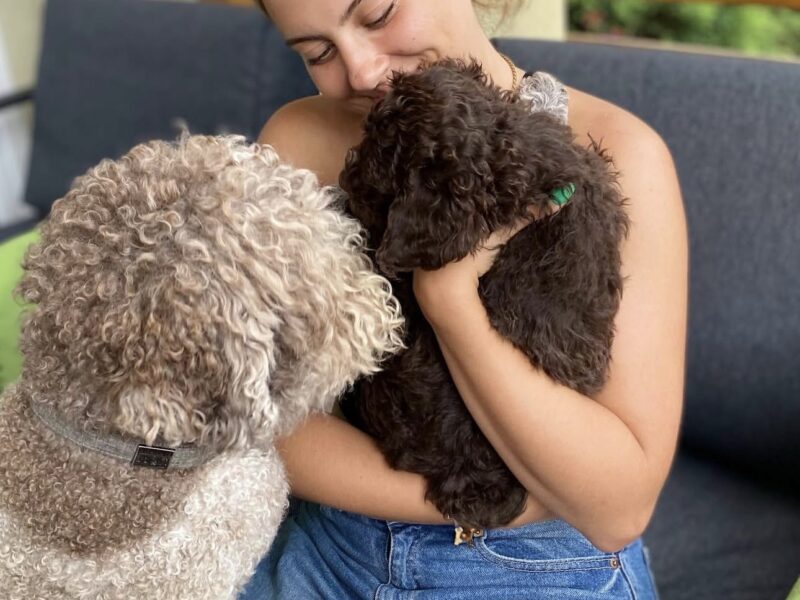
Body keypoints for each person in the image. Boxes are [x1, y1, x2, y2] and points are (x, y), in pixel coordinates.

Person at [240, 0, 687, 598]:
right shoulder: (299, 138)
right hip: (328, 549)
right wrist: (494, 497)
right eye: (317, 53)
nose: (363, 71)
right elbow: (253, 410)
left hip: (539, 570)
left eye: (376, 15)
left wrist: (450, 303)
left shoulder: (621, 154)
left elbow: (615, 510)